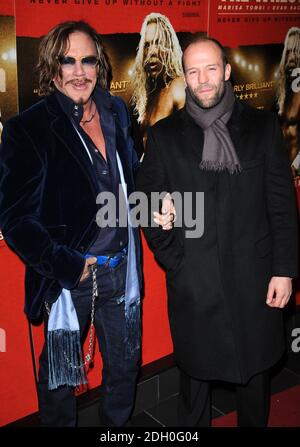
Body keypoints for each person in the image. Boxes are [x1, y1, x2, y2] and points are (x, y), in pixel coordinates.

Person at [137, 35, 298, 427]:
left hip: (255, 281)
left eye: (211, 69)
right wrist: (176, 260)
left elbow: (281, 206)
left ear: (226, 72)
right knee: (194, 386)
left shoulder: (261, 127)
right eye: (193, 71)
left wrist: (284, 270)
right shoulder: (165, 136)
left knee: (255, 383)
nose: (203, 79)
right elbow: (145, 205)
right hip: (195, 287)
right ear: (185, 77)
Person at [0, 20, 148, 427]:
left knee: (124, 370)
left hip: (121, 270)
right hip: (72, 280)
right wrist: (65, 263)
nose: (79, 71)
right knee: (58, 384)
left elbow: (130, 178)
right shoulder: (28, 129)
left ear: (99, 64)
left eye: (87, 60)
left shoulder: (116, 110)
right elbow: (14, 218)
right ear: (53, 68)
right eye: (69, 62)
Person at [131, 13, 185, 149]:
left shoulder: (178, 87)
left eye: (158, 43)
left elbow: (193, 146)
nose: (152, 52)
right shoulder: (151, 94)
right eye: (147, 45)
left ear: (169, 48)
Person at [277, 27, 300, 177]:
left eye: (296, 50)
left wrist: (296, 165)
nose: (291, 57)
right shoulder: (282, 86)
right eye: (288, 51)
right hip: (278, 169)